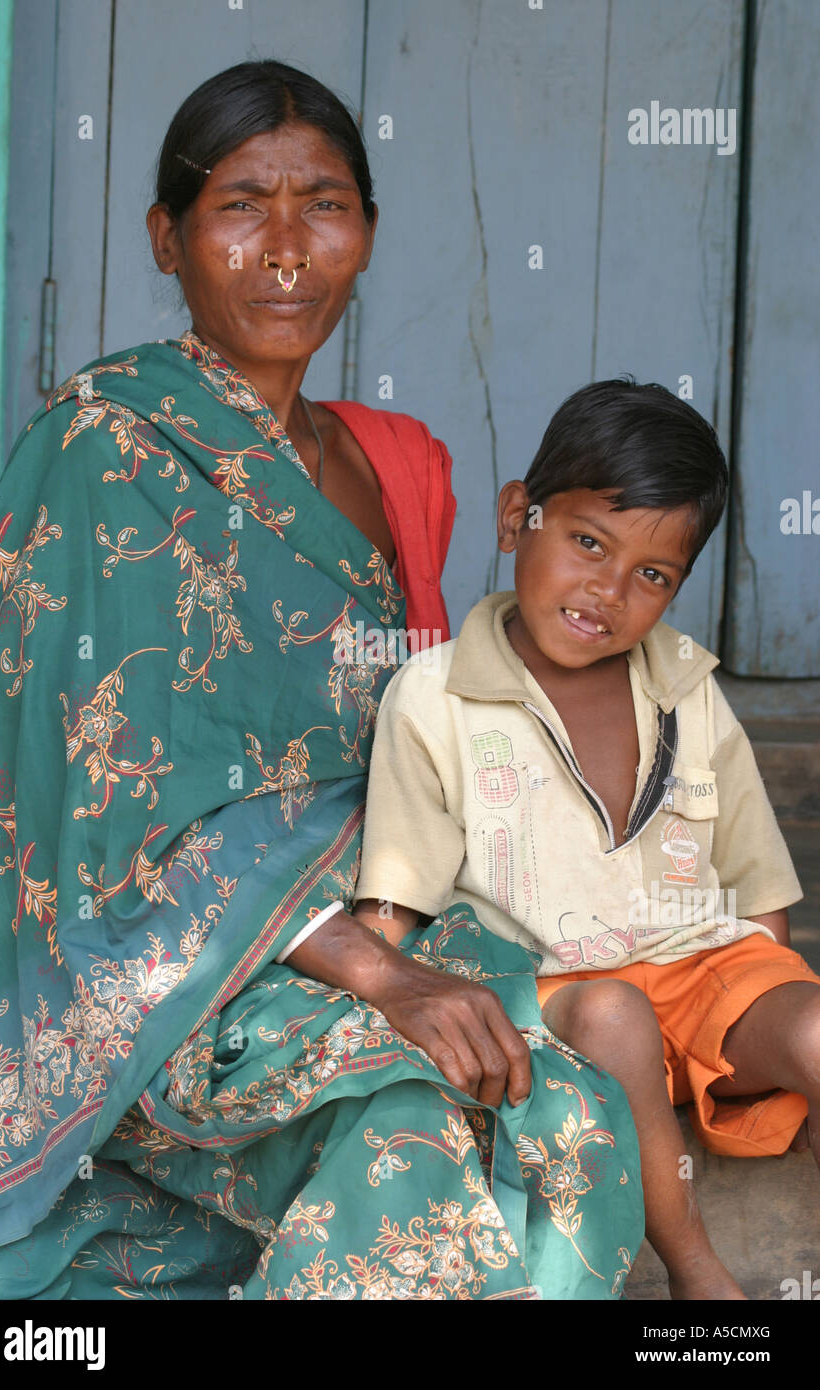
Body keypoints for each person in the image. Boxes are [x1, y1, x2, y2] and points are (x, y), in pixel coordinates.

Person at [0, 62, 642, 1300]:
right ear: (167, 238)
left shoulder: (368, 464)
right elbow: (89, 801)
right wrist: (383, 975)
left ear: (366, 233)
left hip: (355, 923)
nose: (285, 247)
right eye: (239, 205)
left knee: (566, 1118)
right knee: (423, 1135)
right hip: (144, 969)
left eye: (323, 203)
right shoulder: (104, 443)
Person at [353, 377, 820, 1300]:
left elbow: (760, 897)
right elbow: (393, 909)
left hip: (699, 976)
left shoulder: (689, 689)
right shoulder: (435, 696)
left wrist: (759, 1040)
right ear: (515, 516)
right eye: (586, 543)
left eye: (652, 575)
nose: (607, 591)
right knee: (615, 1015)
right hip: (557, 991)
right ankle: (698, 1276)